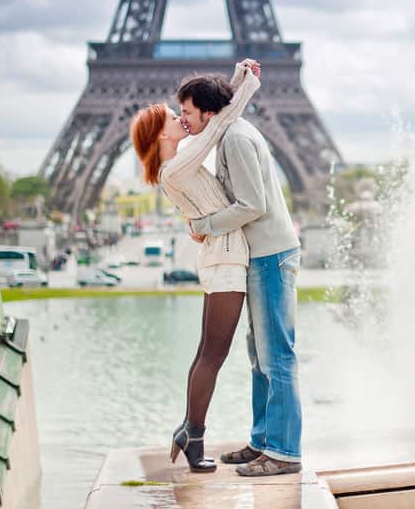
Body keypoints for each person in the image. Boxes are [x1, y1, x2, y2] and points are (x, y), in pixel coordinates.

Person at [129, 60, 260, 473]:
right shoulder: (178, 166)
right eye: (173, 116)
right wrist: (248, 86)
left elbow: (212, 119)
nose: (180, 118)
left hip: (221, 256)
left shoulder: (177, 164)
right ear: (161, 133)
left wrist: (236, 81)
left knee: (208, 352)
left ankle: (191, 431)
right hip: (224, 261)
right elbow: (218, 126)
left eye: (182, 112)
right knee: (212, 355)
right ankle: (194, 433)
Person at [186, 67, 303, 477]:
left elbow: (253, 204)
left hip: (270, 255)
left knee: (276, 358)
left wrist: (205, 226)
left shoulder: (234, 138)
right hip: (264, 255)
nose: (183, 120)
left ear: (206, 111)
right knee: (260, 357)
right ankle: (263, 442)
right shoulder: (232, 132)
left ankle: (284, 452)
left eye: (187, 112)